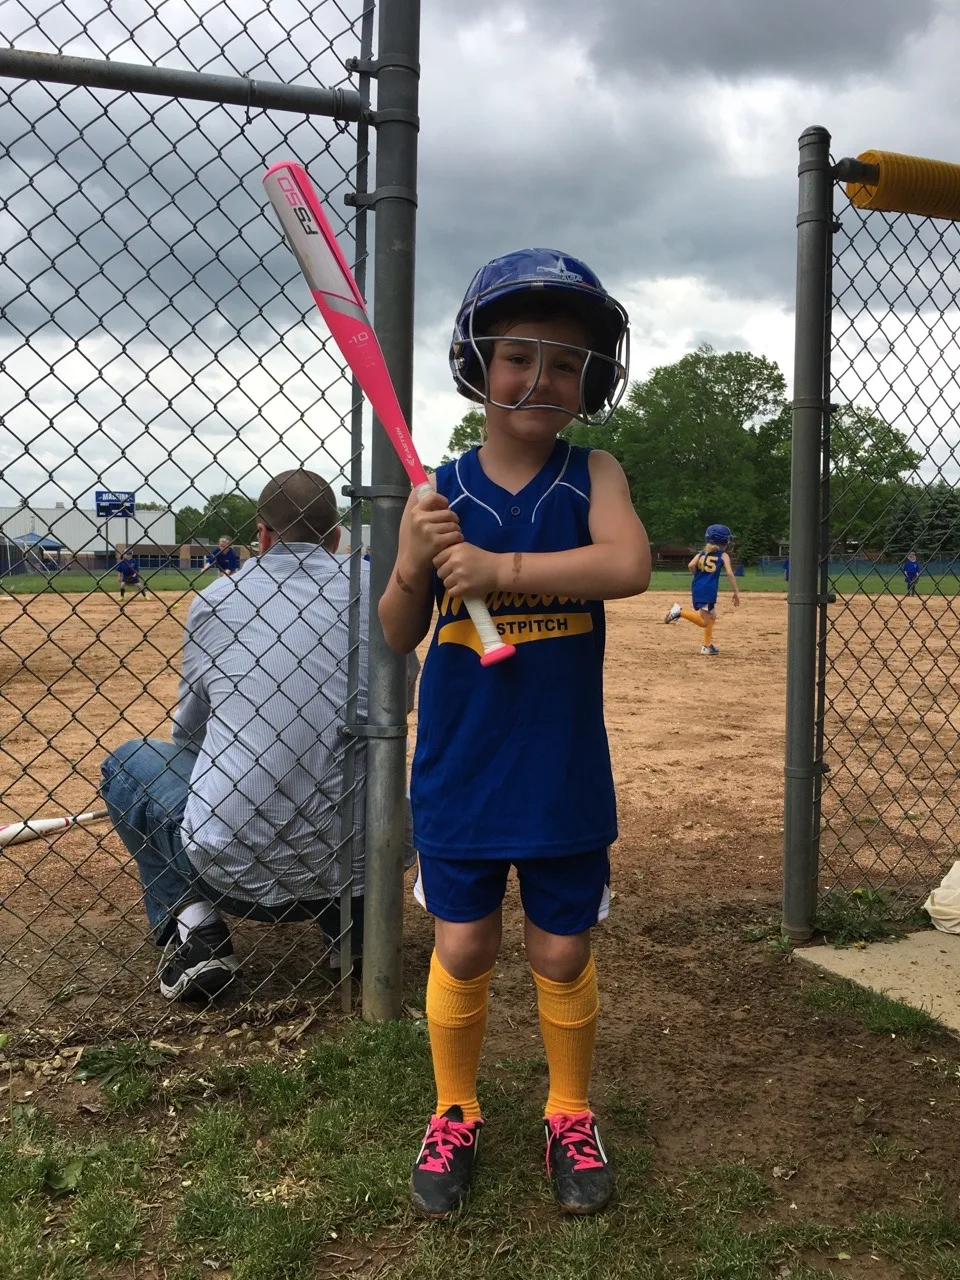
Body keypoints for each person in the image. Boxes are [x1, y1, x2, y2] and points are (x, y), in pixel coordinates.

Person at [379, 248, 651, 1219]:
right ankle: (455, 1106)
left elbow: (627, 565)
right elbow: (396, 629)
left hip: (560, 770)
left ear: (592, 380)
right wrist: (418, 559)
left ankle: (568, 1108)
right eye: (519, 354)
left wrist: (501, 570)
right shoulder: (438, 494)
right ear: (477, 361)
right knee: (461, 944)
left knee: (562, 952)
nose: (541, 377)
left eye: (567, 361)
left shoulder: (594, 472)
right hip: (460, 770)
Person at [101, 470, 414, 1002]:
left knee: (129, 763)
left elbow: (189, 732)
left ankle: (198, 932)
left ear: (261, 534)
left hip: (235, 870)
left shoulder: (219, 600)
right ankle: (356, 934)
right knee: (357, 769)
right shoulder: (382, 591)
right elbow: (399, 703)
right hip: (368, 860)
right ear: (336, 537)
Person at [664, 524, 741, 655]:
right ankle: (679, 612)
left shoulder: (702, 553)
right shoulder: (723, 555)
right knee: (704, 622)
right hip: (708, 590)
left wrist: (699, 576)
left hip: (697, 587)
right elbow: (729, 573)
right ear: (722, 541)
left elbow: (691, 565)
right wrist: (736, 592)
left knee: (712, 616)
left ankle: (707, 646)